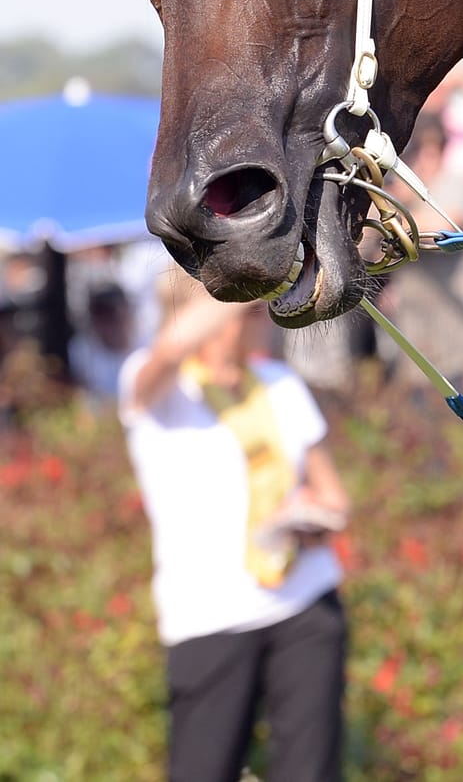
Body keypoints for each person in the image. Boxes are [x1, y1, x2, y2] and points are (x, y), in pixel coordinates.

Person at [119, 274, 350, 782]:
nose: (261, 320)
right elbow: (173, 344)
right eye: (248, 310)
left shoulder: (279, 384)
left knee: (312, 772)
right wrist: (242, 268)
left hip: (303, 600)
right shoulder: (161, 389)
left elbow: (336, 501)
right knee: (203, 769)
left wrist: (311, 517)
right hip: (212, 615)